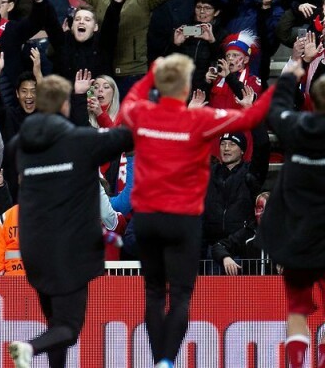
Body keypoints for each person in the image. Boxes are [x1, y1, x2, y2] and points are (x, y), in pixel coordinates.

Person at [118, 53, 275, 368]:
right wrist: (286, 78)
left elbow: (127, 104)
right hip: (183, 220)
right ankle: (165, 361)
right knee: (180, 296)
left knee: (152, 293)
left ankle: (157, 358)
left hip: (148, 217)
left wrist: (152, 72)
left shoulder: (144, 113)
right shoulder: (199, 120)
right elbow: (252, 117)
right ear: (187, 86)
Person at [7, 75, 133, 368]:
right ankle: (28, 348)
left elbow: (17, 187)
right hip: (71, 249)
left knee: (55, 324)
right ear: (65, 104)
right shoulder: (82, 142)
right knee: (68, 328)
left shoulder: (19, 144)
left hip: (35, 247)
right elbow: (128, 136)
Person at [260, 60, 325, 368]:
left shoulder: (296, 128)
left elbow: (276, 109)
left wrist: (287, 78)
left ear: (312, 100)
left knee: (297, 310)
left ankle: (297, 363)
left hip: (296, 238)